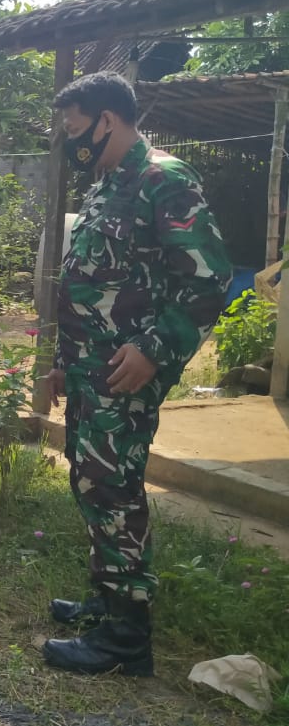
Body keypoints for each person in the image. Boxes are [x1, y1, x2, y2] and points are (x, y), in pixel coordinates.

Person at [41, 72, 231, 676]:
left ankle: (126, 639)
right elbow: (93, 283)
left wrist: (153, 349)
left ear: (107, 121)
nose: (72, 141)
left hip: (126, 373)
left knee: (113, 489)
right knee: (93, 483)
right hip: (92, 369)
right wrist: (63, 364)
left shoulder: (163, 180)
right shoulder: (106, 185)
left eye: (76, 129)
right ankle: (110, 598)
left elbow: (209, 280)